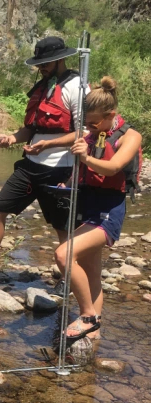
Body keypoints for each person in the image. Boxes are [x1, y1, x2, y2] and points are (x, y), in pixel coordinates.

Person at [0, 37, 84, 284]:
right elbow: (31, 129)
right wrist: (10, 138)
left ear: (60, 59)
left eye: (45, 63)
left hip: (60, 170)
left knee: (62, 226)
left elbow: (84, 132)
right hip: (30, 166)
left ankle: (70, 279)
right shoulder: (42, 88)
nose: (41, 68)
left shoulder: (77, 87)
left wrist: (48, 144)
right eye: (39, 64)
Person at [54, 77, 142, 342]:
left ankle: (87, 317)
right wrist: (67, 182)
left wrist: (87, 157)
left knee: (64, 255)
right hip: (87, 204)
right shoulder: (92, 135)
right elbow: (82, 169)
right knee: (92, 273)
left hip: (109, 208)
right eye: (86, 123)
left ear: (110, 116)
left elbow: (114, 167)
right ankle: (94, 336)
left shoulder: (131, 136)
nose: (89, 128)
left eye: (93, 123)